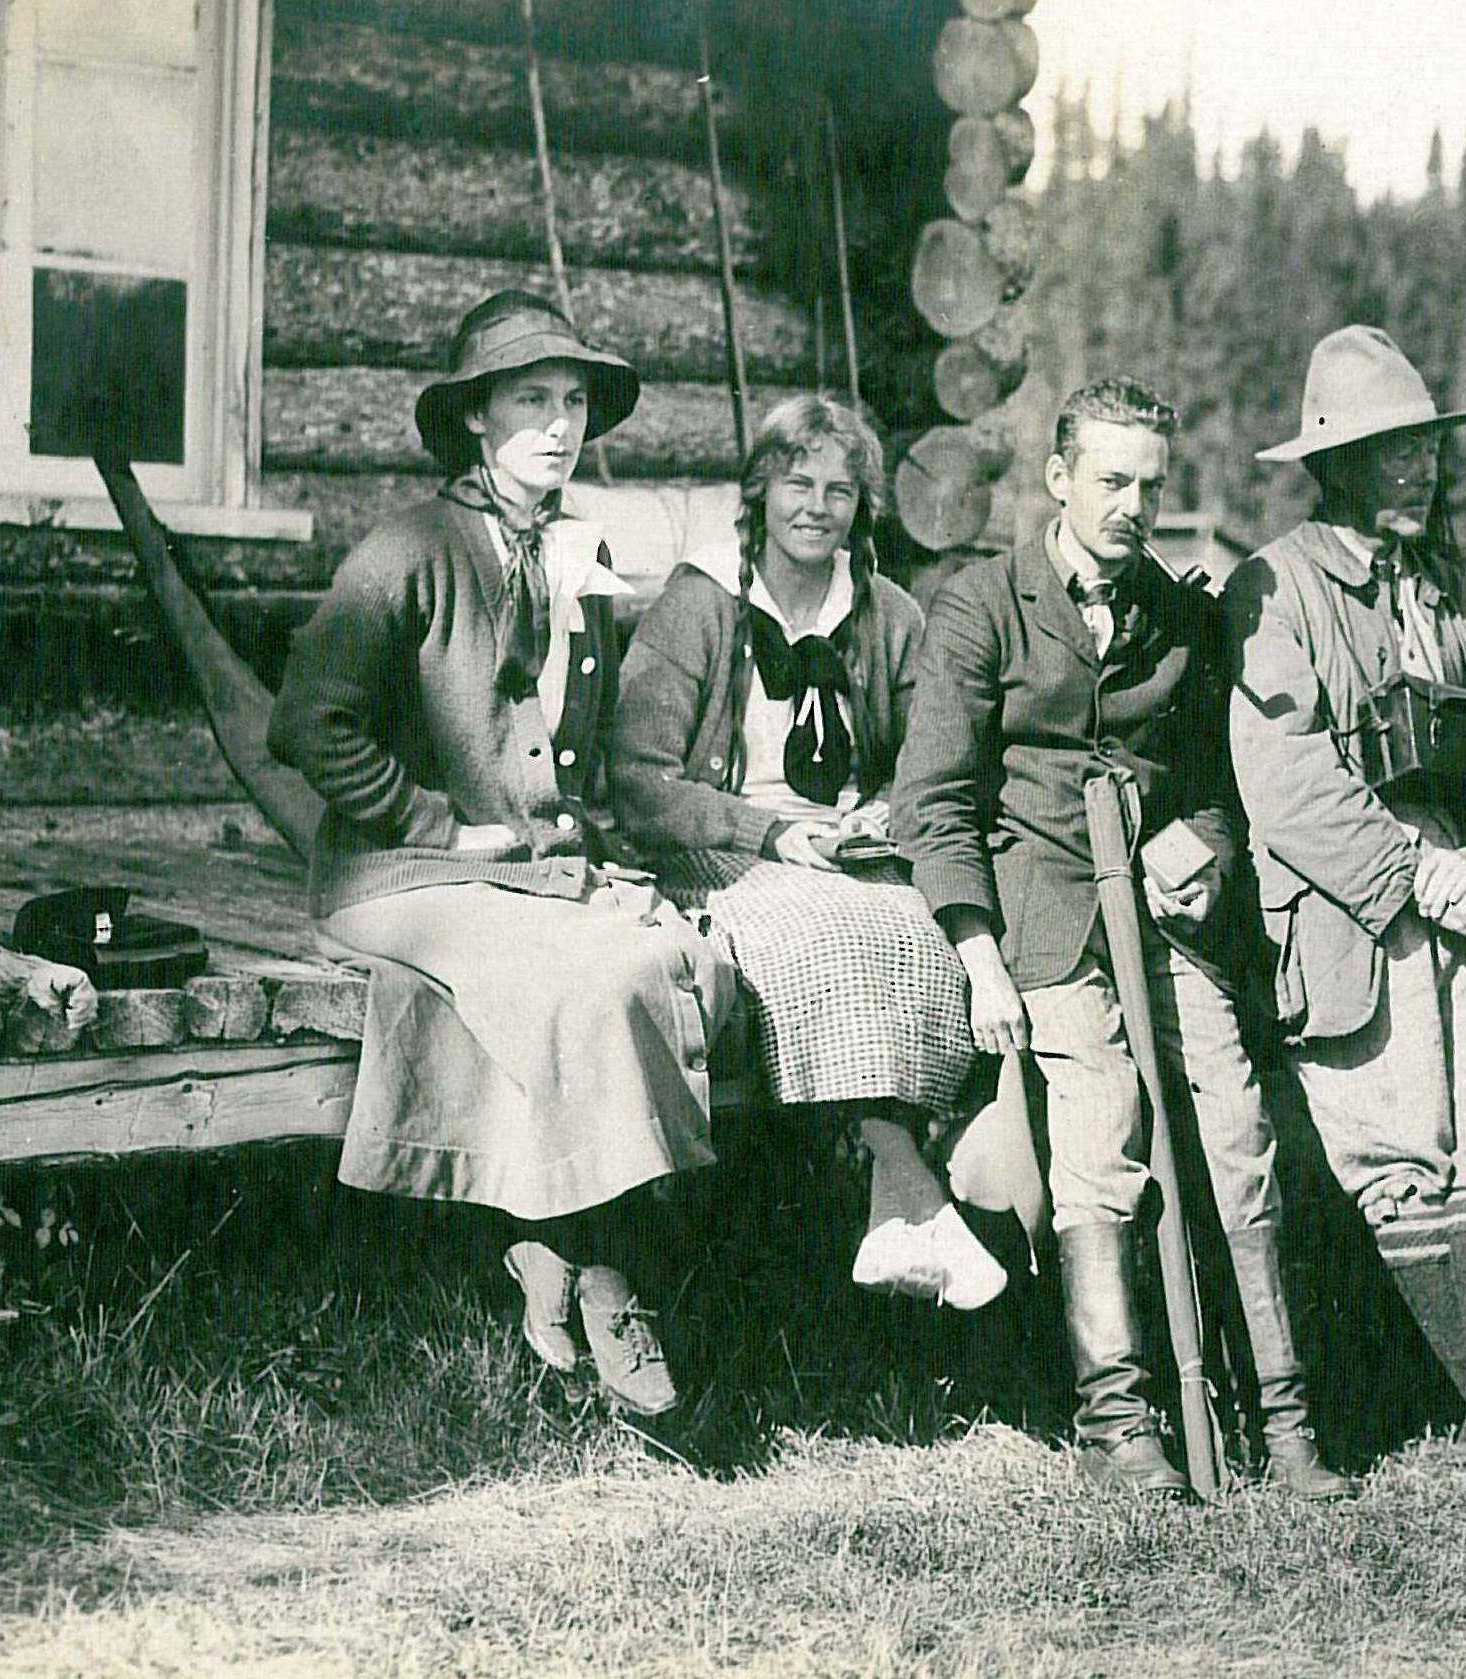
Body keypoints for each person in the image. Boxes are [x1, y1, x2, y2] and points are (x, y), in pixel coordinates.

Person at [268, 291, 737, 1422]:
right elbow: (304, 721)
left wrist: (596, 850)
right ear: (475, 417)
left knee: (683, 960)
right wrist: (432, 823)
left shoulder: (578, 549)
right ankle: (616, 1272)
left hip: (529, 874)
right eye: (530, 398)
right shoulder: (411, 547)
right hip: (401, 878)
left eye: (574, 401)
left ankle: (547, 1244)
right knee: (598, 980)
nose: (559, 424)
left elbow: (569, 750)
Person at [894, 378, 1347, 1500]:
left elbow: (1216, 788)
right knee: (1101, 1127)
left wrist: (1204, 845)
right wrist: (977, 951)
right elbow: (932, 802)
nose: (1132, 504)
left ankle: (1282, 1422)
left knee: (1235, 1127)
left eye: (1150, 484)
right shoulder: (982, 606)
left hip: (1164, 916)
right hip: (1042, 916)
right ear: (1057, 480)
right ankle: (1119, 1422)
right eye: (1111, 480)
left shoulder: (1179, 618)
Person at [1226, 326, 1466, 1479]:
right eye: (1389, 453)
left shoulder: (1454, 590)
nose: (1416, 472)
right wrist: (1413, 873)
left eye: (1424, 450)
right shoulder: (1273, 586)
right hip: (1351, 911)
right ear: (1330, 465)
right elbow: (1280, 774)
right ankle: (1450, 1409)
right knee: (1391, 1151)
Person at [609, 393, 1018, 1314]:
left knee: (926, 930)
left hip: (842, 853)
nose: (817, 505)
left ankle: (910, 1192)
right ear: (759, 491)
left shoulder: (887, 613)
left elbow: (933, 757)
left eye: (840, 489)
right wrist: (771, 830)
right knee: (827, 935)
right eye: (798, 482)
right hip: (720, 846)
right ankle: (905, 1187)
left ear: (861, 508)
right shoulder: (700, 603)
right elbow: (639, 781)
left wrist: (876, 812)